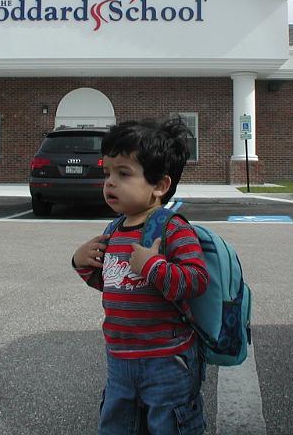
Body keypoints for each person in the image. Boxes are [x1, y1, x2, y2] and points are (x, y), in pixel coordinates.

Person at [72, 118, 209, 435]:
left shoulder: (172, 228)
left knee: (170, 426)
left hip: (167, 361)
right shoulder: (114, 231)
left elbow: (196, 280)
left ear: (159, 185)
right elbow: (114, 284)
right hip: (120, 359)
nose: (109, 183)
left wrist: (153, 266)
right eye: (106, 173)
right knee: (117, 426)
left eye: (123, 174)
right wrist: (81, 263)